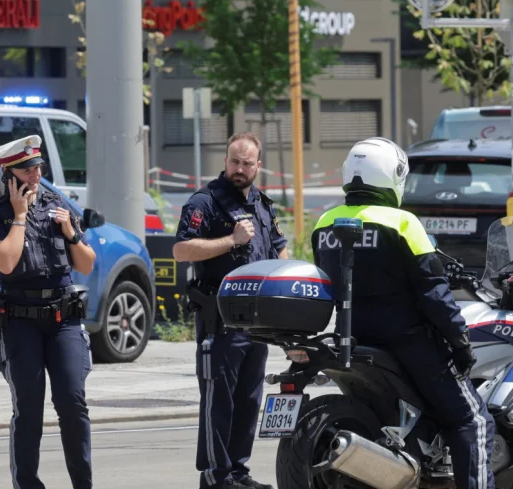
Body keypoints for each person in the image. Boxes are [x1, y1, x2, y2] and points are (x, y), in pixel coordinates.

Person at [312, 137, 495, 489]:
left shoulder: (324, 223)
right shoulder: (403, 223)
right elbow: (435, 294)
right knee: (471, 420)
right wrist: (460, 341)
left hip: (352, 334)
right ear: (391, 177)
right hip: (407, 341)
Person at [0, 135, 98, 489]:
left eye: (38, 168)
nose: (35, 175)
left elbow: (87, 265)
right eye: (28, 169)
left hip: (63, 318)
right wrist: (19, 217)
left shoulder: (56, 204)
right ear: (9, 173)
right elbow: (5, 261)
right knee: (29, 409)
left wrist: (72, 234)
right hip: (21, 321)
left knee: (72, 403)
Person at [173, 133, 288, 489]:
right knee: (218, 403)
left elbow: (280, 252)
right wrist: (231, 240)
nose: (239, 169)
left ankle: (238, 471)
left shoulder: (264, 205)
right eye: (234, 161)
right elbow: (181, 250)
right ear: (225, 161)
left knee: (249, 401)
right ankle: (216, 476)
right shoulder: (204, 203)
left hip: (258, 323)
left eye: (246, 163)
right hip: (220, 321)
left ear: (258, 166)